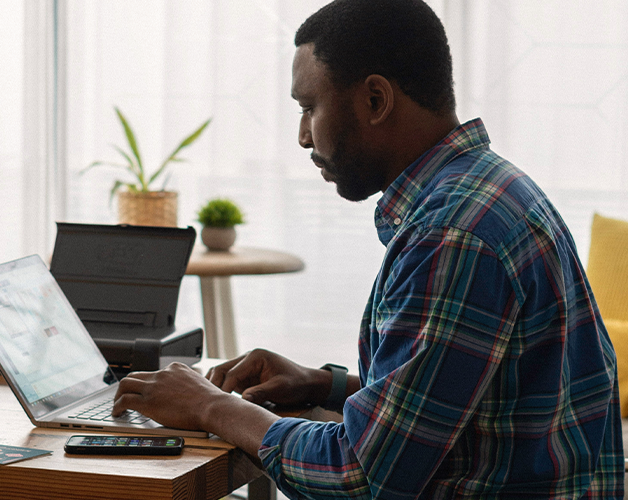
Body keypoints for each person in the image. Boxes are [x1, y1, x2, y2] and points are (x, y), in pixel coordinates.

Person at [113, 0, 625, 497]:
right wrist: (325, 386)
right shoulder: (491, 190)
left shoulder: (452, 234)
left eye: (309, 107)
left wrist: (210, 407)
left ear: (375, 101)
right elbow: (469, 403)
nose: (302, 136)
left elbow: (360, 475)